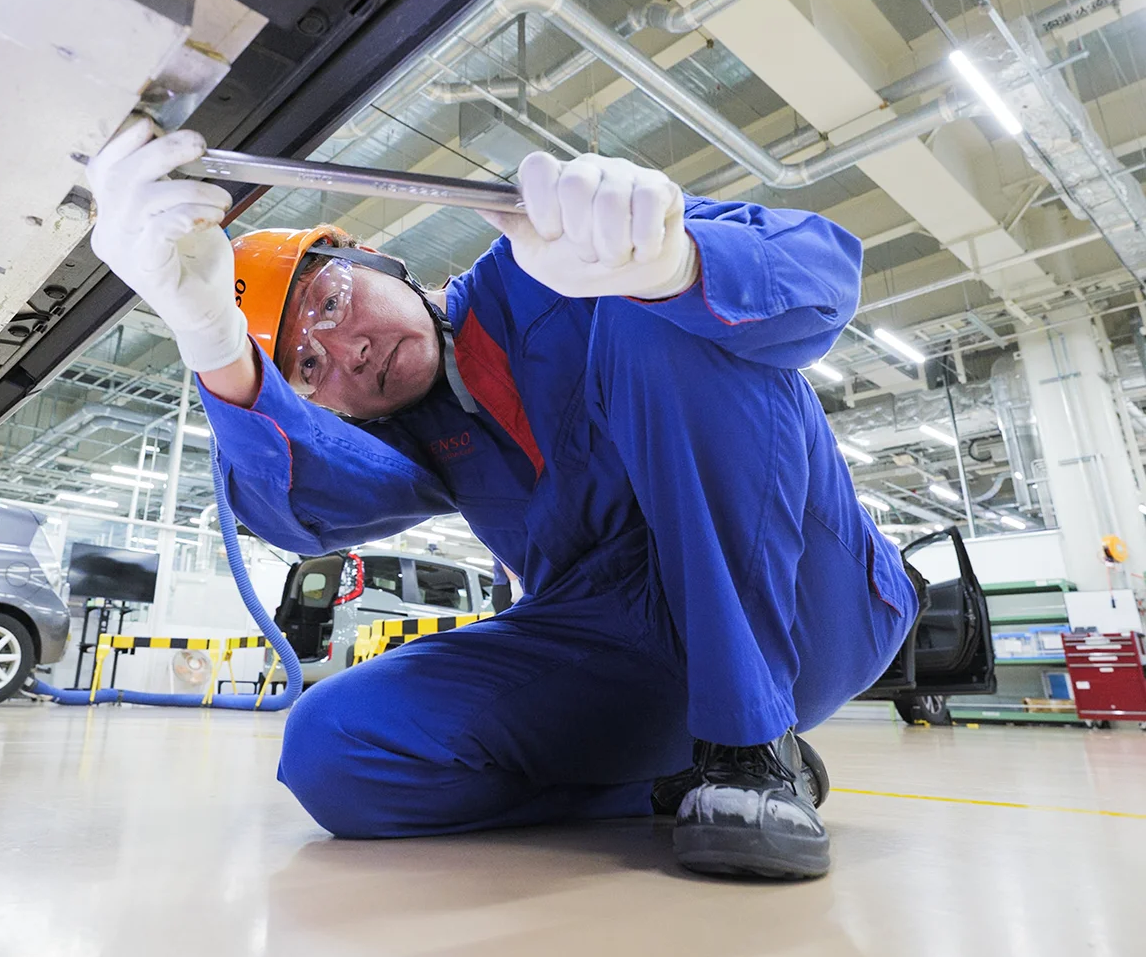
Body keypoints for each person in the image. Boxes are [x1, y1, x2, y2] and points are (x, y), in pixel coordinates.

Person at [87, 119, 919, 880]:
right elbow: (302, 508)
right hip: (636, 659)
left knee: (644, 304)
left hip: (812, 600)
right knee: (332, 747)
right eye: (309, 368)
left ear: (375, 256)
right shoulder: (418, 439)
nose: (349, 349)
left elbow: (818, 273)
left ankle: (752, 751)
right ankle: (682, 771)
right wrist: (218, 350)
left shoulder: (550, 258)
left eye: (333, 302)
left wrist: (672, 263)